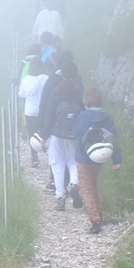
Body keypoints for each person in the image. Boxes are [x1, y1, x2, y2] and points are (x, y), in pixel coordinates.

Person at [71, 87, 121, 234]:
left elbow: (76, 133)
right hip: (99, 158)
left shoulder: (83, 116)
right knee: (93, 185)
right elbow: (114, 139)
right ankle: (99, 214)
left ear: (86, 101)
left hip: (83, 157)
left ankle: (95, 220)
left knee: (86, 189)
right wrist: (117, 159)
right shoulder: (107, 118)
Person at [40, 52, 84, 210]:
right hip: (74, 132)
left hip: (57, 132)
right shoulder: (79, 90)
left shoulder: (56, 90)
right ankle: (74, 185)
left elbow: (49, 114)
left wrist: (44, 135)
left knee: (57, 164)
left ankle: (60, 197)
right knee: (73, 162)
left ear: (62, 73)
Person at [17, 46, 48, 167]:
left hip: (29, 111)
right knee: (45, 132)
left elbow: (21, 94)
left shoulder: (26, 80)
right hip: (43, 111)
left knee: (32, 132)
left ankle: (34, 157)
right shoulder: (46, 78)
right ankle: (49, 153)